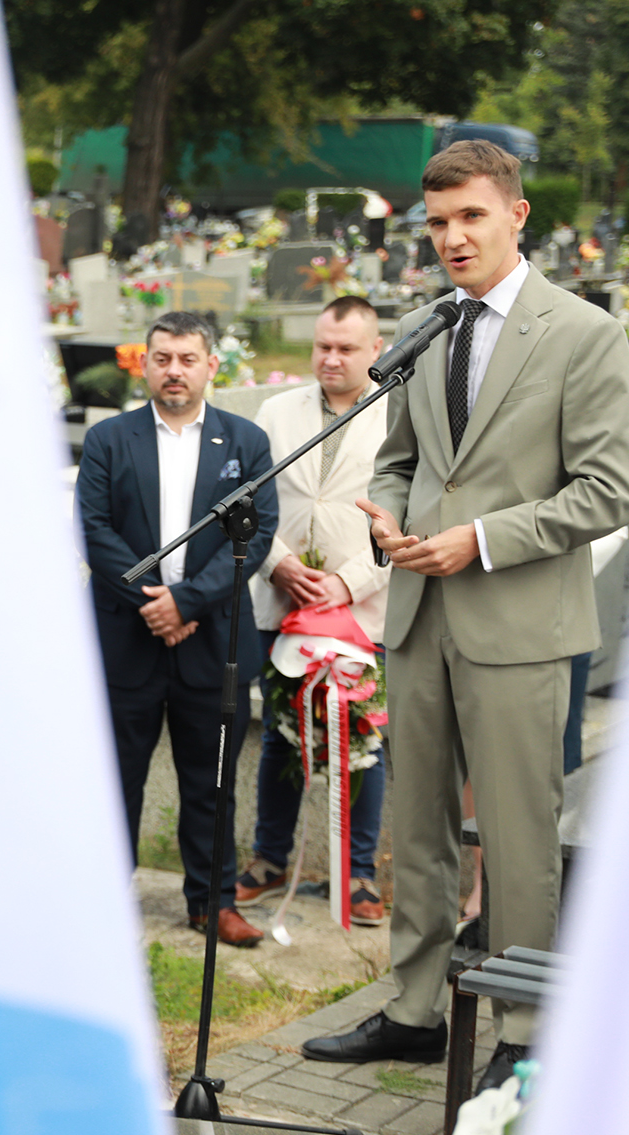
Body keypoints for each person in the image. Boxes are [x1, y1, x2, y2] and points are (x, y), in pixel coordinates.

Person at [299, 141, 629, 1093]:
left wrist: (481, 539)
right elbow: (400, 462)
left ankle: (524, 1031)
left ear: (516, 215)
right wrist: (388, 518)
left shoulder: (583, 334)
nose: (452, 237)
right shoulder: (427, 330)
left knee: (519, 837)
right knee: (417, 827)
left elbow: (609, 488)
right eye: (439, 222)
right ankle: (414, 1011)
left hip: (520, 625)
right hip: (418, 615)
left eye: (471, 217)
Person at [75, 309, 279, 947]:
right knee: (115, 780)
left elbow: (256, 534)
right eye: (162, 358)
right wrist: (153, 603)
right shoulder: (110, 439)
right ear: (145, 365)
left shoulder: (245, 442)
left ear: (211, 365)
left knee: (212, 781)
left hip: (210, 641)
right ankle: (102, 901)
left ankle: (212, 902)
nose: (174, 371)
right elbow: (94, 530)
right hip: (125, 640)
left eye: (188, 359)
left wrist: (186, 604)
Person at [236, 296, 392, 925]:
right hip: (286, 601)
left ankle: (357, 873)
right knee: (281, 734)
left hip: (361, 607)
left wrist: (349, 583)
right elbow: (246, 499)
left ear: (376, 350)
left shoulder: (400, 415)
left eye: (346, 348)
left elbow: (412, 512)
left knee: (361, 740)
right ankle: (269, 858)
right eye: (323, 346)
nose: (331, 358)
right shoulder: (278, 412)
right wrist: (277, 563)